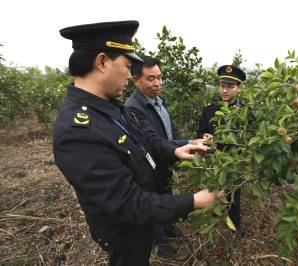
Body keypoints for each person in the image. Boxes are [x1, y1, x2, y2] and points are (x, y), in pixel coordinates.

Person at [54, 20, 223, 266]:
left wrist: (177, 149)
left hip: (143, 219)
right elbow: (127, 203)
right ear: (102, 62)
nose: (129, 74)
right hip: (125, 230)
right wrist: (194, 201)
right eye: (127, 65)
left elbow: (145, 142)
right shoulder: (77, 131)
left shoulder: (109, 106)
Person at [124, 56, 204, 258]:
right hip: (149, 164)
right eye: (151, 79)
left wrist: (189, 142)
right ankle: (160, 243)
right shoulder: (133, 107)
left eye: (160, 77)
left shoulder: (159, 101)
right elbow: (151, 140)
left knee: (165, 192)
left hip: (164, 160)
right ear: (135, 80)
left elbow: (171, 132)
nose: (158, 83)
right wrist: (179, 148)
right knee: (153, 200)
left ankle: (167, 226)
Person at [196, 65, 246, 233]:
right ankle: (211, 225)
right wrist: (206, 138)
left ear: (238, 88)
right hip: (213, 161)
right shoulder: (210, 110)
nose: (225, 90)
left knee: (233, 195)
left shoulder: (246, 111)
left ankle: (234, 226)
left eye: (230, 87)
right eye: (222, 86)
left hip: (235, 162)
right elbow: (200, 131)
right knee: (211, 191)